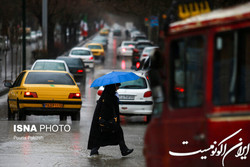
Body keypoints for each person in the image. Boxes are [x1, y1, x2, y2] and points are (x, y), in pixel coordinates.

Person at [87, 83, 134, 156]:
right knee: (113, 133)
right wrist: (109, 121)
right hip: (107, 121)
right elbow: (107, 109)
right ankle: (94, 151)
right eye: (117, 86)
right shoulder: (109, 96)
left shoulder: (108, 94)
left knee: (107, 135)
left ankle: (123, 149)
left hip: (106, 121)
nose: (118, 87)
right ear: (112, 87)